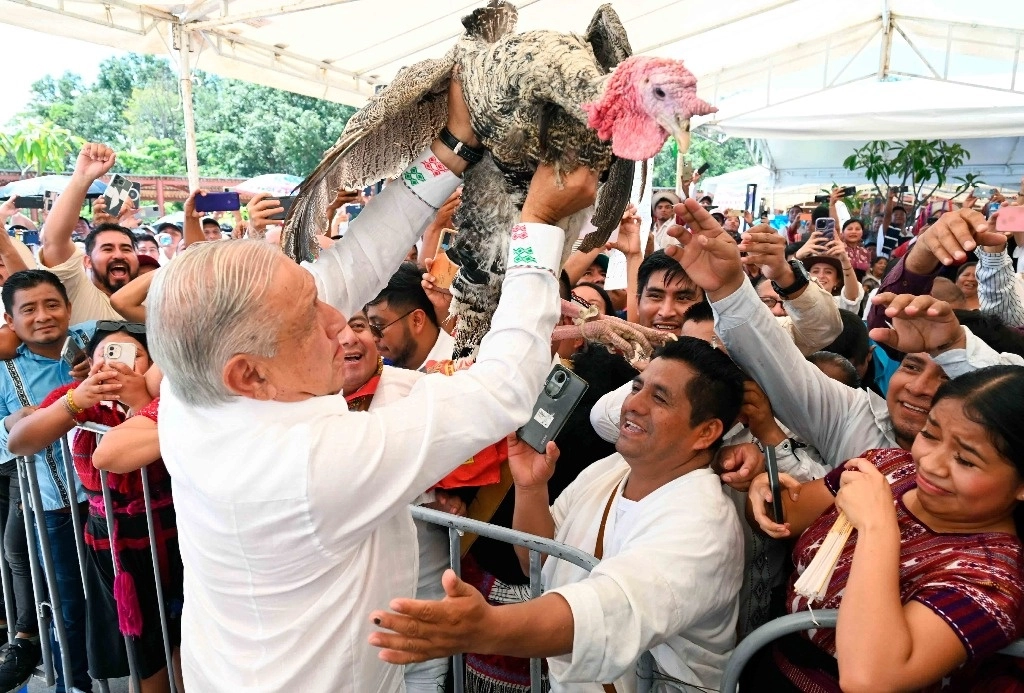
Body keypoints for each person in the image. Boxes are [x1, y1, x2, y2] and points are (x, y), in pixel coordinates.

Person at [147, 78, 599, 689]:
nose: (341, 320)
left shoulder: (192, 386)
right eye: (309, 317)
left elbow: (352, 264)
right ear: (249, 373)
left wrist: (450, 150)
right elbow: (502, 390)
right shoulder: (309, 465)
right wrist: (538, 225)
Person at [369, 337, 747, 692]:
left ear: (706, 432)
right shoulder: (610, 470)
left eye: (659, 398)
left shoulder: (702, 523)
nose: (634, 404)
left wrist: (485, 628)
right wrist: (531, 487)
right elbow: (537, 560)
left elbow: (607, 611)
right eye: (636, 388)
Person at [749, 365, 1024, 691]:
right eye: (930, 434)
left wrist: (877, 527)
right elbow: (782, 517)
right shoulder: (885, 468)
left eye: (965, 460)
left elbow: (868, 679)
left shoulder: (993, 581)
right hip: (767, 664)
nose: (930, 463)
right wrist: (761, 487)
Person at [7, 323, 182, 693]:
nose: (117, 363)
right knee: (141, 643)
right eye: (106, 353)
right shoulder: (78, 398)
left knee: (183, 627)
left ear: (152, 366)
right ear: (88, 363)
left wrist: (139, 401)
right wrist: (76, 401)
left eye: (134, 354)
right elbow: (20, 442)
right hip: (113, 542)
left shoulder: (164, 396)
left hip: (173, 530)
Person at [0, 270, 92, 693]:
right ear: (11, 320)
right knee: (67, 605)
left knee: (128, 596)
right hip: (54, 508)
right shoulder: (6, 370)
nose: (43, 316)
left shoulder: (96, 340)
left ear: (69, 308)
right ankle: (73, 684)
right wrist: (10, 424)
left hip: (116, 503)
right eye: (29, 309)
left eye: (52, 304)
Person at [365, 262, 456, 370]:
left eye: (378, 326)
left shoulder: (461, 368)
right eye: (368, 327)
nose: (373, 338)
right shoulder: (379, 368)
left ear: (417, 320)